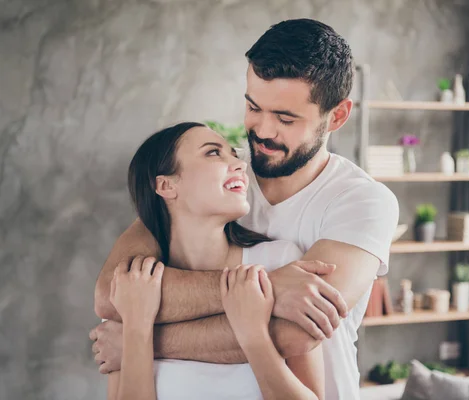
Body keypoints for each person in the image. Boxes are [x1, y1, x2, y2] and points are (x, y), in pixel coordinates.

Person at [90, 19, 399, 399]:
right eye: (254, 107)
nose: (263, 131)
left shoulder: (361, 201)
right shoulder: (221, 182)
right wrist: (271, 290)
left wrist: (139, 338)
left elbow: (295, 334)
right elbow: (111, 293)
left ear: (336, 116)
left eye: (285, 118)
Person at [108, 122, 325, 399]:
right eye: (213, 153)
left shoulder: (280, 261)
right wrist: (137, 329)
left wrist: (252, 334)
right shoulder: (131, 287)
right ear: (166, 185)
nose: (239, 164)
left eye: (233, 154)